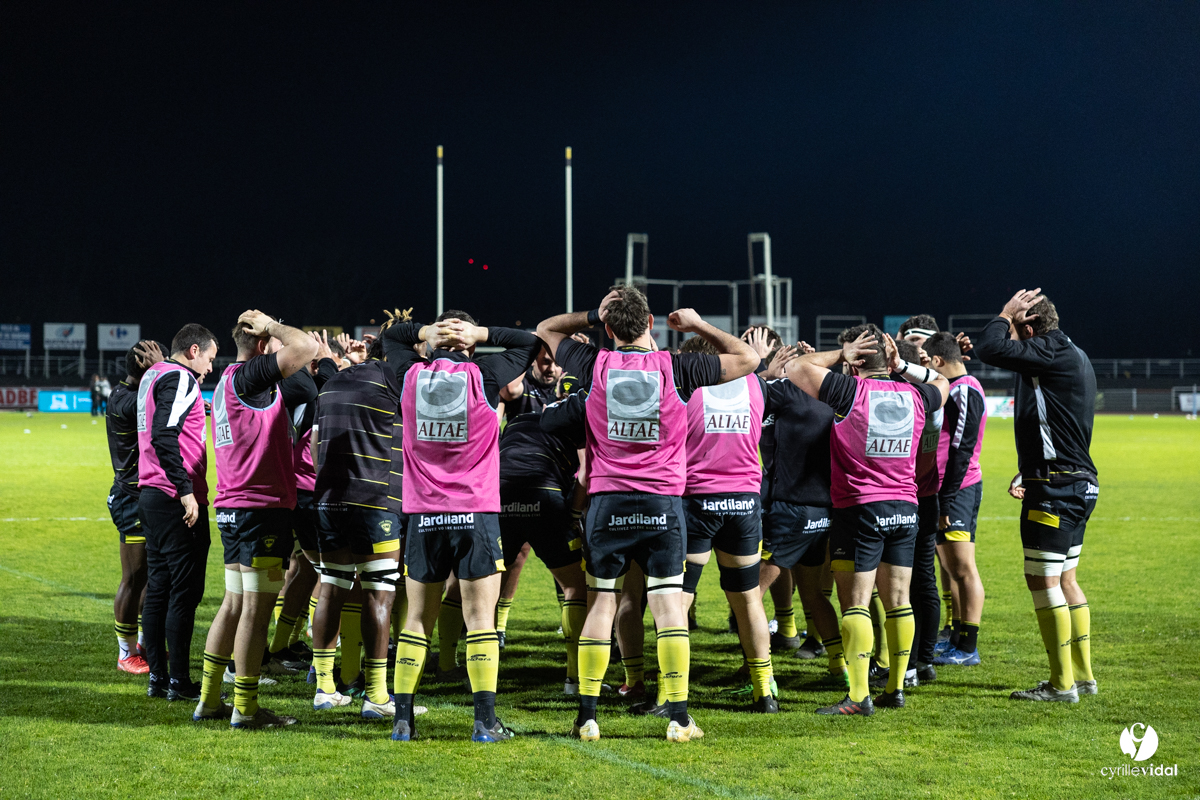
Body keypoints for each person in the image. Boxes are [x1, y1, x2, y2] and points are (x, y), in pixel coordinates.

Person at [538, 286, 758, 742]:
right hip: (662, 501)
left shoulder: (593, 363)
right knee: (667, 606)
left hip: (608, 501)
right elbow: (748, 359)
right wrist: (697, 325)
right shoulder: (677, 366)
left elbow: (546, 329)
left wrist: (591, 317)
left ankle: (587, 717)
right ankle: (678, 718)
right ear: (653, 323)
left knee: (603, 601)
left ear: (611, 328)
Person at [388, 311, 540, 743]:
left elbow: (391, 340)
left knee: (416, 620)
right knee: (480, 621)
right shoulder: (486, 374)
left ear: (431, 344)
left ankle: (403, 720)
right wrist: (481, 334)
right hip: (475, 513)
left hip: (423, 515)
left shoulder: (409, 374)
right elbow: (527, 342)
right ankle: (484, 722)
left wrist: (422, 333)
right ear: (470, 346)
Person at [786, 325, 948, 715]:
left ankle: (859, 697)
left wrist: (842, 353)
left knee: (856, 603)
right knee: (897, 603)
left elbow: (795, 368)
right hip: (906, 509)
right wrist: (902, 366)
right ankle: (895, 688)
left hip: (860, 510)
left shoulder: (850, 391)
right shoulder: (916, 394)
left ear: (856, 363)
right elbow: (943, 380)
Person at [191, 311, 318, 728]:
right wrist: (275, 326)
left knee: (234, 604)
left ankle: (210, 700)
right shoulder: (250, 377)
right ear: (263, 345)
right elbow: (305, 346)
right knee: (255, 611)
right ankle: (245, 708)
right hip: (260, 511)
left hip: (235, 508)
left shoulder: (228, 380)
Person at [974, 289, 1097, 702]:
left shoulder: (1046, 350)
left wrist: (1003, 314)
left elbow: (994, 348)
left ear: (1028, 327)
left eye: (1016, 327)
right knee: (1066, 578)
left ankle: (1062, 684)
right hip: (1074, 481)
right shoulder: (1071, 352)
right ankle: (1083, 675)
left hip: (1056, 489)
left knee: (1042, 579)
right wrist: (1029, 467)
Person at [308, 312, 425, 722]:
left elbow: (315, 434)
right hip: (374, 500)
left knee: (333, 588)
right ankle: (376, 695)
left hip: (327, 501)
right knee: (379, 595)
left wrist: (333, 359)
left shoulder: (334, 381)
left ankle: (325, 687)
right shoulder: (394, 379)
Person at [676, 336, 777, 713]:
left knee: (680, 599)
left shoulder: (687, 392)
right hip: (744, 503)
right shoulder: (754, 385)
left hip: (697, 501)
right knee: (748, 598)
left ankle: (671, 695)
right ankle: (763, 690)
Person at [135, 324, 219, 702]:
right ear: (194, 350)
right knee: (184, 592)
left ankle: (159, 678)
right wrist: (185, 491)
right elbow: (164, 434)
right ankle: (180, 683)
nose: (211, 369)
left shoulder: (152, 375)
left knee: (159, 590)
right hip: (173, 496)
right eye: (210, 359)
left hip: (150, 494)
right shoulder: (182, 378)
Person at [497, 357, 590, 692]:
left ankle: (461, 668)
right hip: (544, 496)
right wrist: (574, 514)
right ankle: (574, 679)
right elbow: (587, 475)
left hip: (501, 494)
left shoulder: (517, 421)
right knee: (576, 587)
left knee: (480, 584)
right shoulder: (575, 423)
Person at [922, 332, 989, 668]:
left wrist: (946, 502)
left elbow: (962, 449)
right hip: (949, 487)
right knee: (952, 567)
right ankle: (959, 641)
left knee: (962, 568)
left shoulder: (963, 390)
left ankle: (968, 646)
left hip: (958, 488)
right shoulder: (961, 387)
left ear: (937, 361)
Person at [107, 342, 163, 674]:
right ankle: (125, 653)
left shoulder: (127, 394)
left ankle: (143, 645)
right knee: (133, 577)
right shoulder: (127, 401)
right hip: (130, 499)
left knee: (151, 577)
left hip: (143, 496)